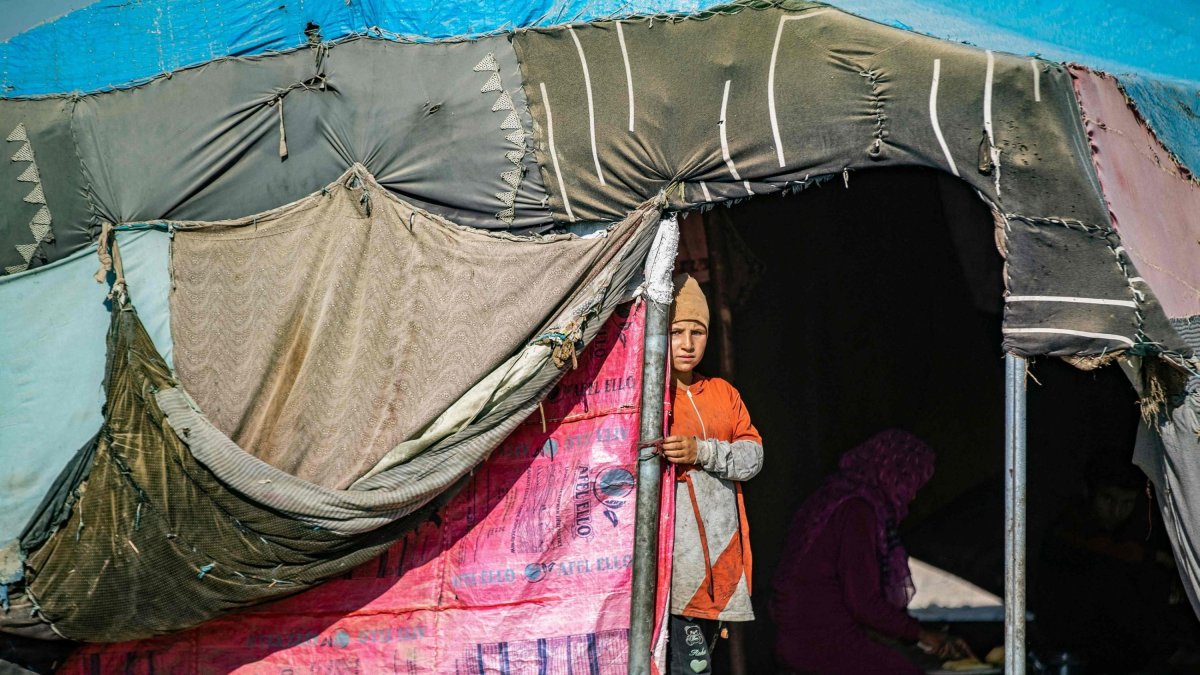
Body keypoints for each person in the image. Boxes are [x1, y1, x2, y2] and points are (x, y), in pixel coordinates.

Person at [770, 430, 969, 674]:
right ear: (892, 474)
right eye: (910, 481)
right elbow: (863, 602)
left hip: (800, 633)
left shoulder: (835, 498)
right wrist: (921, 634)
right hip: (821, 639)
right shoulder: (857, 512)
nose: (913, 494)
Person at [657, 273, 763, 675]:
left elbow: (752, 457)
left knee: (699, 667)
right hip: (672, 569)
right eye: (675, 331)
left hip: (720, 565)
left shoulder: (722, 393)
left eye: (697, 332)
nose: (687, 343)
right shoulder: (648, 396)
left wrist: (700, 451)